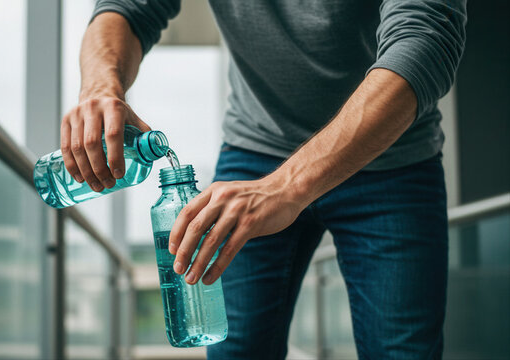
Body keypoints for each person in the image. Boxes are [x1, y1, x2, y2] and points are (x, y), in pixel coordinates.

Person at [60, 1, 466, 358]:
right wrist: (99, 86)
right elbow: (129, 7)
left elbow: (426, 34)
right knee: (238, 349)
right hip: (254, 152)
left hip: (390, 159)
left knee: (401, 351)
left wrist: (287, 187)